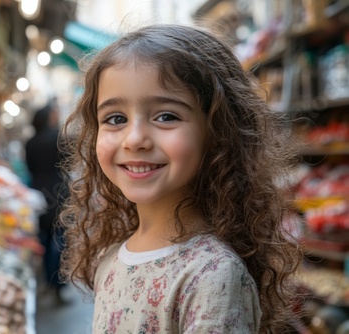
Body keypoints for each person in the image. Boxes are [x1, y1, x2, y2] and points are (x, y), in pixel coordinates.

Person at [58, 24, 303, 333]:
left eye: (166, 116)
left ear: (217, 132)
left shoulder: (212, 276)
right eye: (115, 119)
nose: (134, 139)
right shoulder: (111, 258)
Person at [25, 102, 69, 305]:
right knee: (59, 240)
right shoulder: (57, 137)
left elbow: (30, 168)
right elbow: (69, 160)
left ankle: (47, 281)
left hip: (37, 191)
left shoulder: (30, 142)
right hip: (57, 191)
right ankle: (56, 285)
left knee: (44, 238)